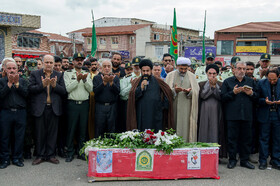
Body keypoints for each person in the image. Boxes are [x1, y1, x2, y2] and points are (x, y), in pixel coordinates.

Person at [28, 54, 66, 165]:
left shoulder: (59, 75)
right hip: (40, 108)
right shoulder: (35, 74)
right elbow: (30, 89)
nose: (49, 64)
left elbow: (64, 91)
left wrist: (55, 86)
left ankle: (50, 155)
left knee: (52, 133)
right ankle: (40, 155)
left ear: (54, 64)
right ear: (43, 63)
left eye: (51, 62)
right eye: (47, 62)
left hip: (54, 108)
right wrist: (42, 85)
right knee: (40, 133)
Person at [221, 61, 258, 169]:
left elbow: (257, 97)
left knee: (246, 139)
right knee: (232, 139)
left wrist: (251, 93)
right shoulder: (228, 82)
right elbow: (222, 98)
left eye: (244, 69)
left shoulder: (251, 81)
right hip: (232, 116)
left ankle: (244, 160)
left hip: (247, 115)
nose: (242, 71)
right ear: (234, 69)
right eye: (239, 68)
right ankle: (232, 160)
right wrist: (233, 92)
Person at [127, 59, 174, 132]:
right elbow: (132, 96)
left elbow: (167, 93)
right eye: (143, 71)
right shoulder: (137, 82)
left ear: (151, 70)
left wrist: (162, 106)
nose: (145, 73)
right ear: (141, 71)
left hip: (155, 113)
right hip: (142, 114)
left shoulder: (158, 81)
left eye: (147, 71)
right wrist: (141, 88)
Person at [64, 53, 93, 162]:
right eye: (77, 60)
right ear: (73, 62)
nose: (79, 62)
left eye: (81, 60)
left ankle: (81, 152)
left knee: (83, 130)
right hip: (72, 104)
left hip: (84, 104)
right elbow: (67, 89)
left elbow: (90, 89)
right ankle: (70, 152)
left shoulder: (87, 73)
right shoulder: (67, 73)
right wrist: (77, 80)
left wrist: (84, 80)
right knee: (71, 129)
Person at [0, 58, 28, 169]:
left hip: (20, 113)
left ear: (17, 69)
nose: (12, 70)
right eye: (9, 68)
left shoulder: (23, 81)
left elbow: (26, 95)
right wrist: (8, 85)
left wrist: (17, 85)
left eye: (14, 68)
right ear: (5, 70)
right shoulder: (1, 82)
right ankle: (5, 159)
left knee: (19, 137)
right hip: (6, 113)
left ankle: (17, 158)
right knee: (4, 137)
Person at [165, 57, 199, 142]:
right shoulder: (170, 76)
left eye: (185, 69)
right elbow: (165, 92)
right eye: (181, 69)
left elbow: (196, 91)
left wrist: (189, 92)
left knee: (186, 128)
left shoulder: (192, 76)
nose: (183, 71)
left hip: (187, 108)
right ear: (177, 66)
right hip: (173, 107)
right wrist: (174, 91)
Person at [198, 64, 227, 158]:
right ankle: (202, 153)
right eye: (210, 73)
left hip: (216, 110)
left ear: (217, 74)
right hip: (204, 110)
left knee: (215, 129)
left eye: (214, 73)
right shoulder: (201, 84)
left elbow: (220, 97)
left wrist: (214, 86)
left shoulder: (221, 84)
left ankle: (214, 155)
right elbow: (202, 96)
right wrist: (211, 87)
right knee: (203, 129)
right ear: (206, 73)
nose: (212, 75)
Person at [257, 69, 280, 170]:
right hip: (265, 113)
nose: (272, 81)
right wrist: (264, 101)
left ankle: (276, 160)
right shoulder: (261, 83)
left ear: (278, 77)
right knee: (263, 138)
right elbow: (256, 98)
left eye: (274, 79)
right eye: (269, 79)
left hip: (277, 114)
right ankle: (263, 160)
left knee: (277, 139)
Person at [93, 60, 120, 136]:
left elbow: (118, 91)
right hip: (100, 106)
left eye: (109, 66)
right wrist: (103, 83)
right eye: (104, 66)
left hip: (112, 106)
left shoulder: (115, 78)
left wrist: (112, 83)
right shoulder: (96, 78)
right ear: (101, 68)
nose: (107, 68)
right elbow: (95, 91)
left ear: (111, 68)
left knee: (111, 129)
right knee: (99, 128)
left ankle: (111, 146)